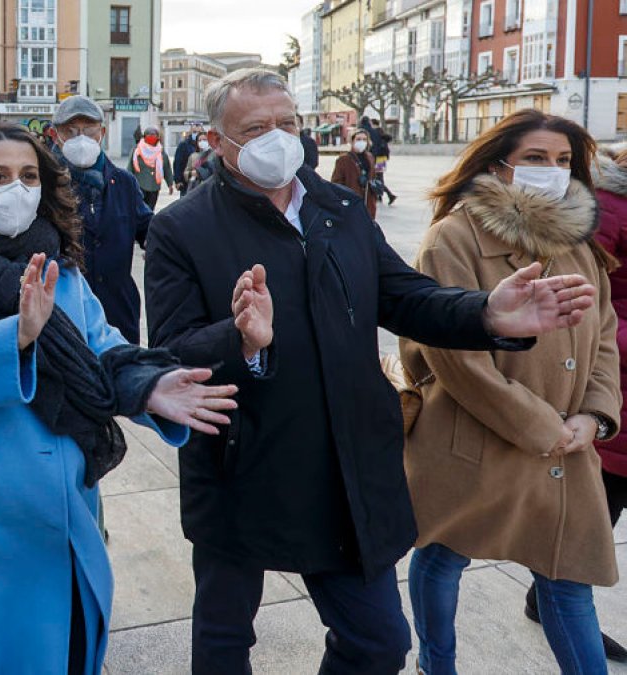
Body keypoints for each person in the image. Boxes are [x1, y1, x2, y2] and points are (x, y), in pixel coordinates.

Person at [143, 68, 599, 674]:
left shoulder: (338, 208)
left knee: (379, 642)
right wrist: (240, 338)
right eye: (254, 128)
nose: (276, 137)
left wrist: (487, 312)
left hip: (347, 464)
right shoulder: (182, 226)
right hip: (243, 463)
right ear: (215, 139)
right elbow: (171, 350)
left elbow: (404, 296)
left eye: (286, 123)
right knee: (225, 641)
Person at [0, 122, 241, 674]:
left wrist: (149, 385)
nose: (16, 188)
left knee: (66, 648)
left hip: (59, 498)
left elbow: (103, 347)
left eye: (28, 176)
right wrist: (16, 337)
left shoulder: (61, 268)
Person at [402, 110, 622, 675]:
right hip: (474, 439)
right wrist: (541, 426)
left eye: (563, 161)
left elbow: (602, 340)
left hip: (568, 446)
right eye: (535, 159)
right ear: (498, 166)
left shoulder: (579, 243)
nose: (552, 171)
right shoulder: (453, 237)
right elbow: (454, 357)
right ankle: (437, 664)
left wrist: (594, 417)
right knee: (444, 554)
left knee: (568, 578)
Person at [572, 141, 627, 663]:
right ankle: (560, 598)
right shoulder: (609, 207)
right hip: (618, 385)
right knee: (596, 509)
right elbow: (592, 305)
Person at [47, 95, 151, 345]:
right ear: (54, 135)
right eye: (71, 130)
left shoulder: (123, 182)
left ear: (102, 132)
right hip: (63, 315)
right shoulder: (44, 186)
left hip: (118, 312)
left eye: (89, 129)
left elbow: (148, 229)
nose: (81, 138)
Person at [330, 129, 379, 218]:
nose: (362, 142)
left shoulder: (370, 157)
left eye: (364, 139)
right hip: (352, 204)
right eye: (358, 139)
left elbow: (373, 176)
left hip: (368, 204)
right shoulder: (344, 159)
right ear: (352, 141)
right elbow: (336, 183)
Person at [128, 126, 173, 210]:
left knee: (150, 209)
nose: (152, 137)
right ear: (144, 137)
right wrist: (127, 183)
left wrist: (170, 184)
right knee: (140, 209)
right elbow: (130, 168)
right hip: (139, 185)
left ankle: (148, 222)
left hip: (154, 186)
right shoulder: (137, 151)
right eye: (149, 135)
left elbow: (167, 168)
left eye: (154, 135)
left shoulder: (160, 152)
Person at [361, 116, 397, 205]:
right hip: (381, 158)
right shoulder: (379, 131)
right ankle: (382, 195)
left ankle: (386, 194)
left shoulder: (367, 131)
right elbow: (388, 138)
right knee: (379, 177)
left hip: (373, 158)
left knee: (374, 177)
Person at [174, 126, 201, 196]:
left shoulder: (204, 146)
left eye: (199, 132)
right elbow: (178, 163)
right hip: (186, 182)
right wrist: (178, 180)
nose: (197, 134)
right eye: (194, 132)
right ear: (190, 133)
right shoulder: (184, 145)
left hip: (200, 182)